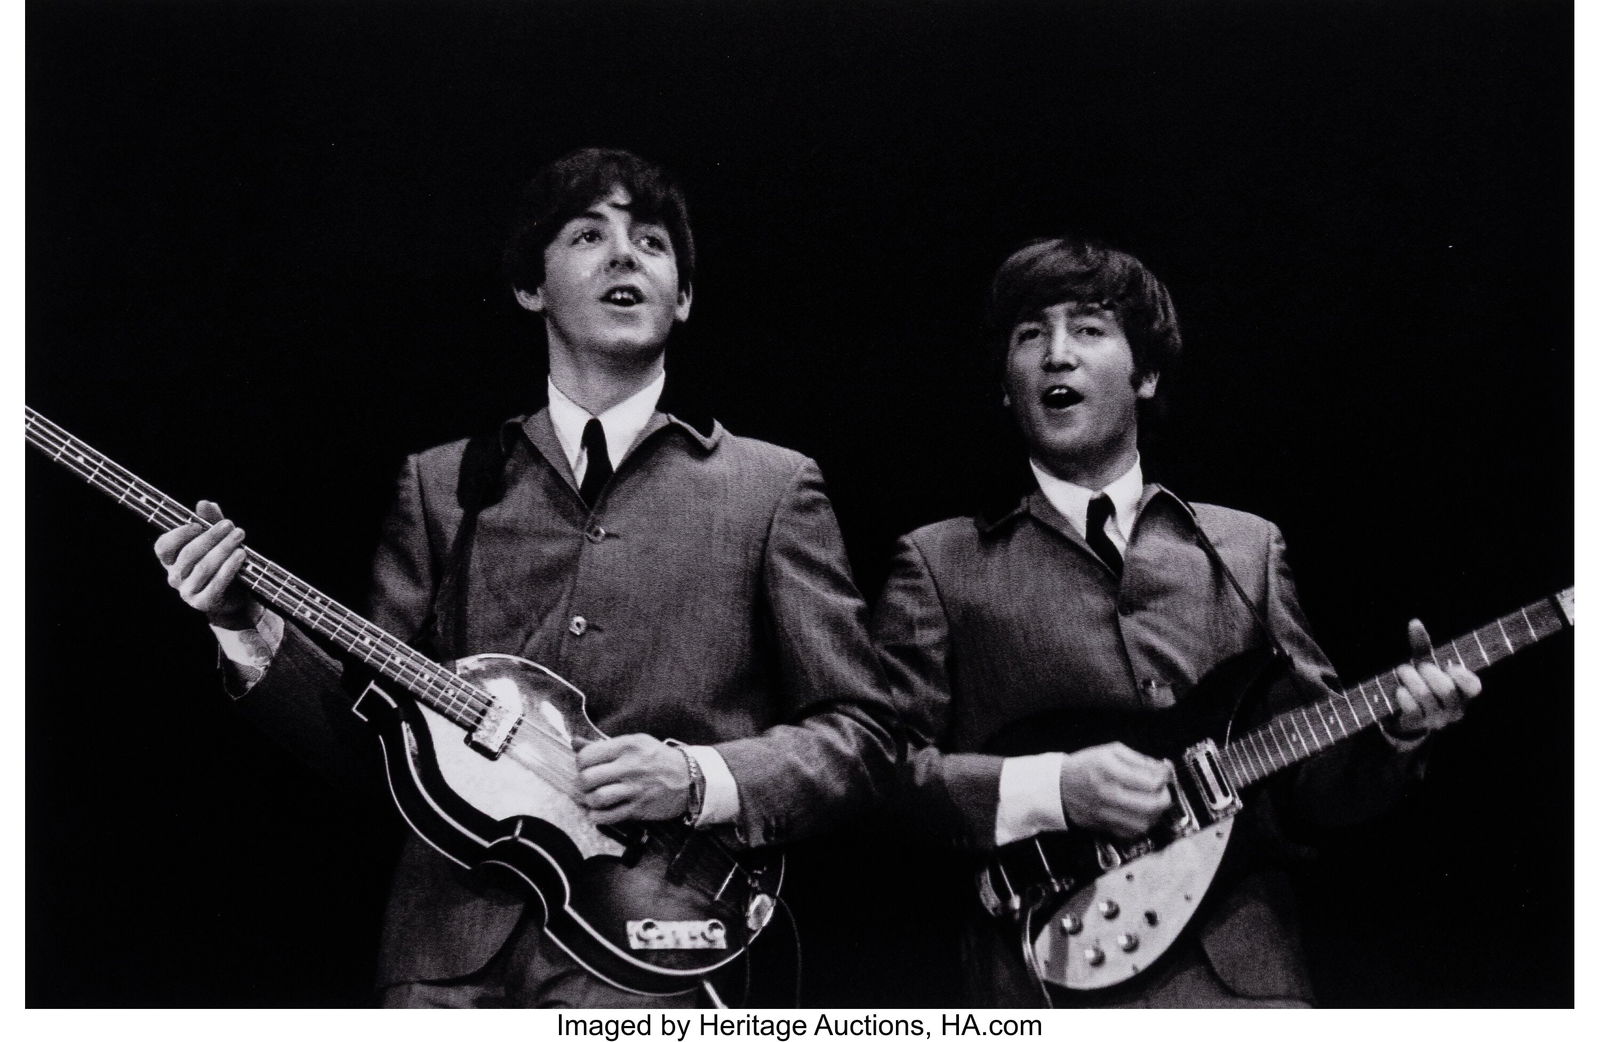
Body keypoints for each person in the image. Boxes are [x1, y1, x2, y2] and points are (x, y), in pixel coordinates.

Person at [153, 147, 896, 1008]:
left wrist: (697, 777)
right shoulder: (441, 485)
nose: (625, 256)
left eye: (652, 243)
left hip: (654, 957)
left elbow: (865, 737)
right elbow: (365, 744)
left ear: (684, 297)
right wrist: (245, 626)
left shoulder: (771, 487)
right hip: (445, 972)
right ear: (529, 288)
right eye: (589, 234)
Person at [872, 236, 1482, 1007]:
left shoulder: (1245, 547)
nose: (1057, 355)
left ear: (1146, 373)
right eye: (1031, 335)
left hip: (1243, 991)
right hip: (1045, 983)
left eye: (1089, 330)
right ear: (1005, 383)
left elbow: (1312, 789)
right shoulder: (939, 561)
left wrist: (1398, 734)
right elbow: (879, 777)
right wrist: (1056, 789)